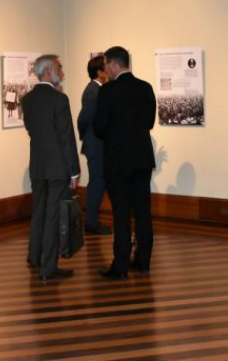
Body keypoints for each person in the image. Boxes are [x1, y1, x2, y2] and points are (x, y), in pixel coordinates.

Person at [93, 46, 156, 280]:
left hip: (117, 161)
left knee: (121, 214)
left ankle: (120, 266)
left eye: (106, 65)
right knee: (142, 212)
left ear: (112, 64)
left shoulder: (108, 91)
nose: (104, 70)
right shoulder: (146, 87)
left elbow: (99, 128)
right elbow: (149, 123)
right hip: (142, 159)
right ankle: (143, 262)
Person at [22, 54, 80, 281]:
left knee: (39, 212)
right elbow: (67, 138)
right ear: (47, 72)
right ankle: (48, 268)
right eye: (59, 68)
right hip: (58, 168)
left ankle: (34, 257)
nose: (62, 73)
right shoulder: (59, 100)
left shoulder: (27, 100)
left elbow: (32, 130)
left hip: (37, 165)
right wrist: (74, 171)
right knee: (53, 216)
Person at [77, 55, 111, 235]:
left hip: (98, 144)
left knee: (99, 182)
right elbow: (83, 119)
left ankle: (92, 221)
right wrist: (87, 137)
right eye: (106, 67)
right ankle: (91, 222)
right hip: (96, 145)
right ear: (100, 72)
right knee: (97, 183)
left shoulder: (98, 89)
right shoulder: (93, 90)